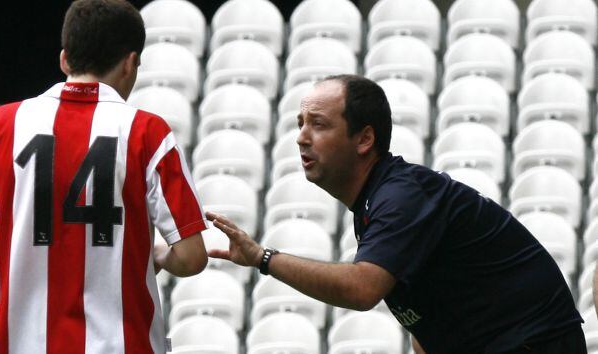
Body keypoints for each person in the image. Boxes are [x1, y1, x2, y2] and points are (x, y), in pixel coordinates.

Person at [206, 74, 586, 354]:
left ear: (365, 139)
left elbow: (361, 289)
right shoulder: (378, 200)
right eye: (300, 124)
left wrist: (264, 258)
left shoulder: (400, 197)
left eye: (318, 124)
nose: (302, 137)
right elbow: (423, 317)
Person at [0, 1, 208, 353]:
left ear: (64, 59)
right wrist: (160, 257)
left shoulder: (1, 125)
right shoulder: (148, 133)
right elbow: (192, 257)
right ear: (131, 62)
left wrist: (19, 223)